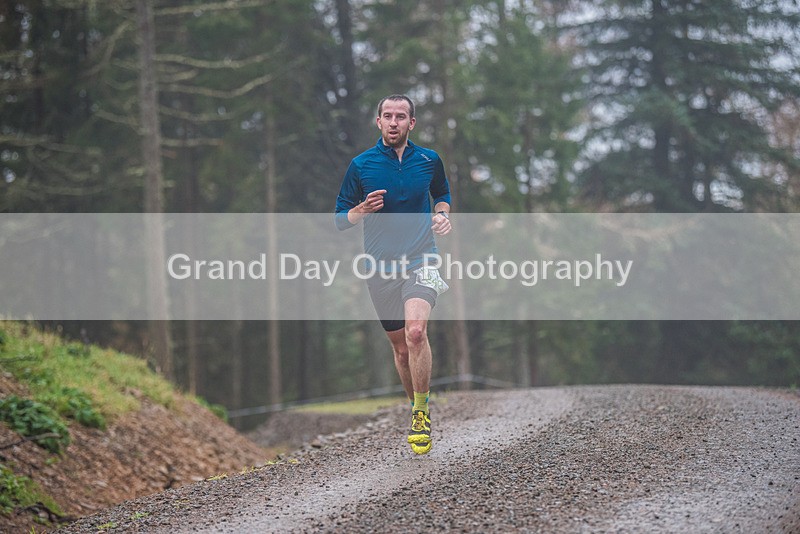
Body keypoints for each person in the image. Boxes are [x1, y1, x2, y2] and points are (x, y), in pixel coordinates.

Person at [335, 94, 451, 455]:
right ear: (378, 121)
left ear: (411, 123)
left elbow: (442, 193)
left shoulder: (429, 160)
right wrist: (362, 209)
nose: (393, 122)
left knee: (416, 332)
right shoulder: (361, 165)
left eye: (401, 116)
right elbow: (340, 219)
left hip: (421, 259)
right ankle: (415, 405)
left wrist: (442, 214)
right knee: (401, 349)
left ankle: (421, 412)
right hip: (380, 268)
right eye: (387, 116)